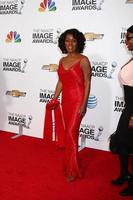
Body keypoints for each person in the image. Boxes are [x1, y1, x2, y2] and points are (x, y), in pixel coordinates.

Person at [52, 28, 91, 182]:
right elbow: (61, 81)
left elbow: (87, 82)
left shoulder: (83, 60)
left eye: (73, 41)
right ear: (63, 43)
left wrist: (84, 104)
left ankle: (72, 169)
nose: (70, 44)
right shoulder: (61, 61)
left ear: (78, 42)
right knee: (70, 135)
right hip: (66, 101)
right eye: (67, 40)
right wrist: (54, 98)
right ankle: (72, 162)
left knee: (70, 134)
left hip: (77, 101)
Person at [111, 25, 133, 196]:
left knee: (129, 143)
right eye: (126, 37)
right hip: (129, 107)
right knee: (122, 143)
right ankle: (124, 173)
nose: (126, 41)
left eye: (130, 38)